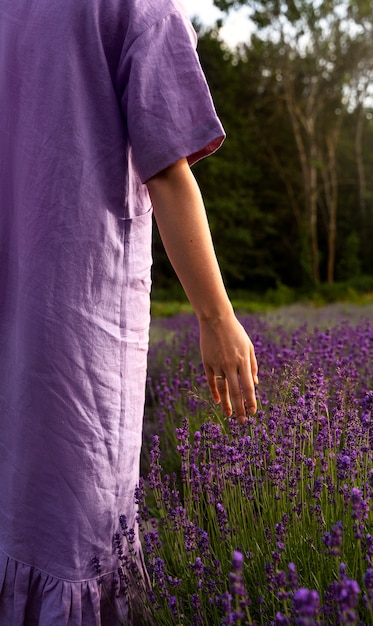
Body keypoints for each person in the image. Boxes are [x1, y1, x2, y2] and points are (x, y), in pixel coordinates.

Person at [0, 0, 258, 623]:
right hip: (75, 326)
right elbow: (168, 173)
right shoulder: (134, 6)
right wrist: (215, 315)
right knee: (75, 538)